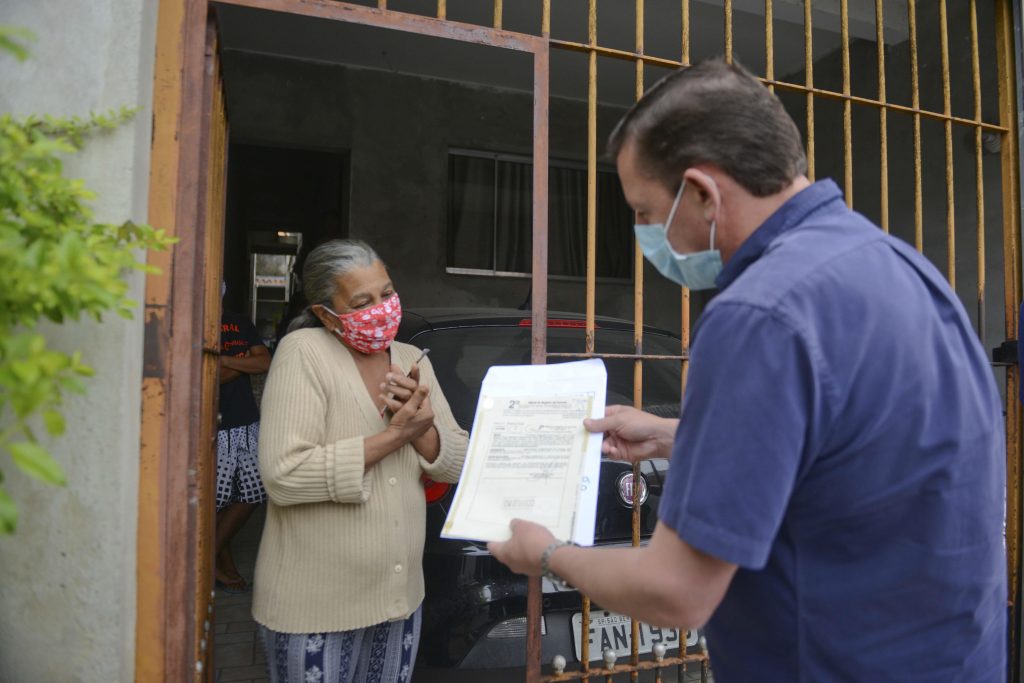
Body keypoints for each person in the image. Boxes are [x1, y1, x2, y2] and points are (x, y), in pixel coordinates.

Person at [489, 59, 1006, 681]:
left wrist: (547, 552)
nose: (644, 233)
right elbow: (861, 447)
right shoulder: (899, 266)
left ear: (703, 193)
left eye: (645, 211)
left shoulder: (760, 313)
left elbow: (678, 591)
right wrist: (679, 434)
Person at [252, 239, 467, 683]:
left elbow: (459, 462)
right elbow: (284, 476)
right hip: (313, 611)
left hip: (398, 601)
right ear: (327, 314)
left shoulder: (411, 360)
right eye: (362, 301)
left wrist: (423, 431)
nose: (382, 308)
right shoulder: (303, 354)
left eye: (387, 294)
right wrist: (393, 437)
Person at [216, 290, 272, 593]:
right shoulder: (197, 325)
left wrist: (223, 359)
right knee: (217, 501)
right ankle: (225, 569)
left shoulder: (239, 323)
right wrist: (241, 362)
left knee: (253, 493)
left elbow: (264, 362)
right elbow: (209, 375)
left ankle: (208, 558)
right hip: (216, 424)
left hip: (247, 421)